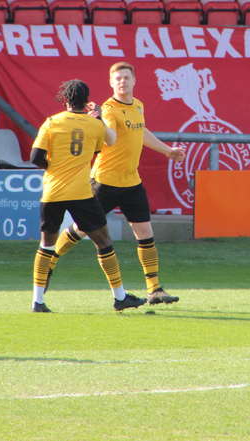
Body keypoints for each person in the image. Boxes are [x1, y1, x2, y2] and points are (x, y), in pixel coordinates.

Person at [48, 62, 186, 305]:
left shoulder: (138, 106)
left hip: (131, 182)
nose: (122, 81)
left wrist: (167, 151)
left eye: (126, 77)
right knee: (81, 228)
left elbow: (141, 132)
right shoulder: (109, 109)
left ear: (134, 81)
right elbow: (109, 137)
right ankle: (50, 259)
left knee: (145, 234)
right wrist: (99, 121)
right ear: (111, 83)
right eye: (118, 78)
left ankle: (154, 289)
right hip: (105, 182)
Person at [30, 79, 146, 313]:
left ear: (65, 100)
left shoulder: (52, 123)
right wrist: (99, 116)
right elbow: (109, 142)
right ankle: (120, 297)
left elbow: (35, 157)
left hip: (53, 190)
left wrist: (53, 168)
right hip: (81, 192)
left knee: (46, 246)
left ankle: (38, 301)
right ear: (86, 100)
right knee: (103, 242)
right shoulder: (94, 126)